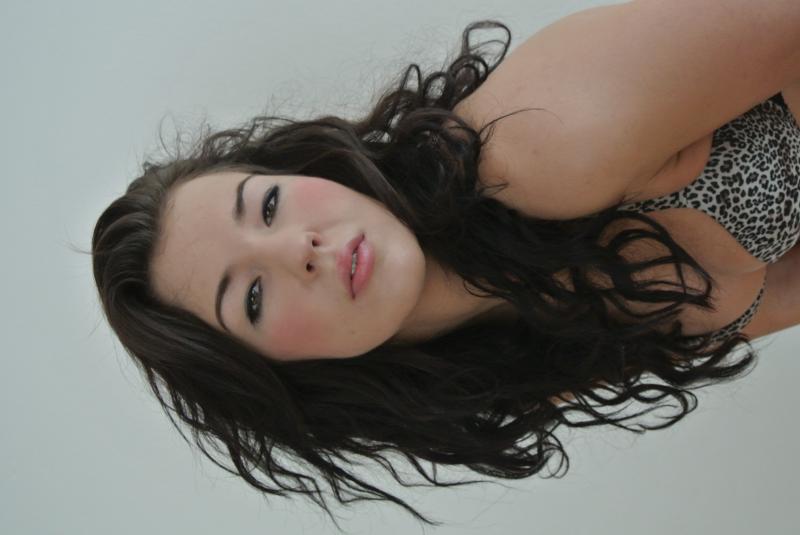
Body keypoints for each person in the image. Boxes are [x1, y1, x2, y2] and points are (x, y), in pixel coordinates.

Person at [91, 3, 800, 528]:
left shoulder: (532, 147)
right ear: (275, 372)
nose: (297, 249)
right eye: (251, 297)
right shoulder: (527, 358)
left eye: (268, 205)